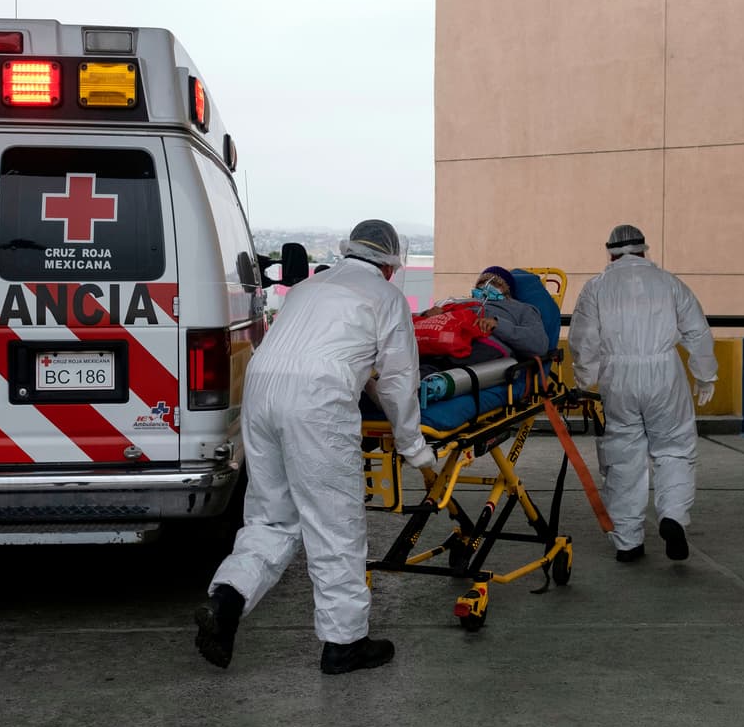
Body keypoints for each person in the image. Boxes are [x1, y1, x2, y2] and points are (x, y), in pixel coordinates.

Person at [194, 219, 436, 675]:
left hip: (262, 395)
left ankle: (226, 602)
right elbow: (400, 381)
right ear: (390, 265)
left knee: (271, 516)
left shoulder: (309, 287)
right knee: (335, 524)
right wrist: (414, 447)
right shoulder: (386, 298)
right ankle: (345, 643)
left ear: (349, 251)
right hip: (316, 404)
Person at [568, 224, 717, 563]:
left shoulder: (596, 288)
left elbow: (583, 340)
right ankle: (672, 516)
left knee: (623, 456)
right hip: (665, 374)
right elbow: (697, 330)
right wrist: (705, 375)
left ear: (610, 253)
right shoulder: (670, 283)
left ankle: (628, 542)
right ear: (644, 251)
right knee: (675, 448)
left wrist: (584, 380)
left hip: (617, 377)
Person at [420, 266, 550, 365]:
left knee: (438, 362)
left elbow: (539, 344)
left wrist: (498, 325)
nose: (486, 287)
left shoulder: (522, 309)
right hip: (444, 339)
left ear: (508, 292)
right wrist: (428, 314)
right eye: (481, 283)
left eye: (497, 284)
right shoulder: (463, 303)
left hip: (482, 344)